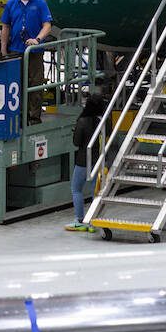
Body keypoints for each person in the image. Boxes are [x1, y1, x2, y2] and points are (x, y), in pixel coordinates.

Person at [0, 0, 52, 124]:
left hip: (34, 52)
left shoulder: (40, 3)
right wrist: (3, 49)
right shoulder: (11, 3)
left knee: (35, 83)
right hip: (16, 50)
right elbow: (5, 26)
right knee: (17, 82)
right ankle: (19, 115)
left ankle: (34, 116)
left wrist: (37, 40)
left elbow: (47, 25)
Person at [66, 94, 107, 232]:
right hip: (99, 161)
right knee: (95, 192)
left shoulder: (82, 121)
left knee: (76, 189)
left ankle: (79, 220)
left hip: (83, 161)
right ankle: (93, 221)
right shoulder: (103, 121)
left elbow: (76, 142)